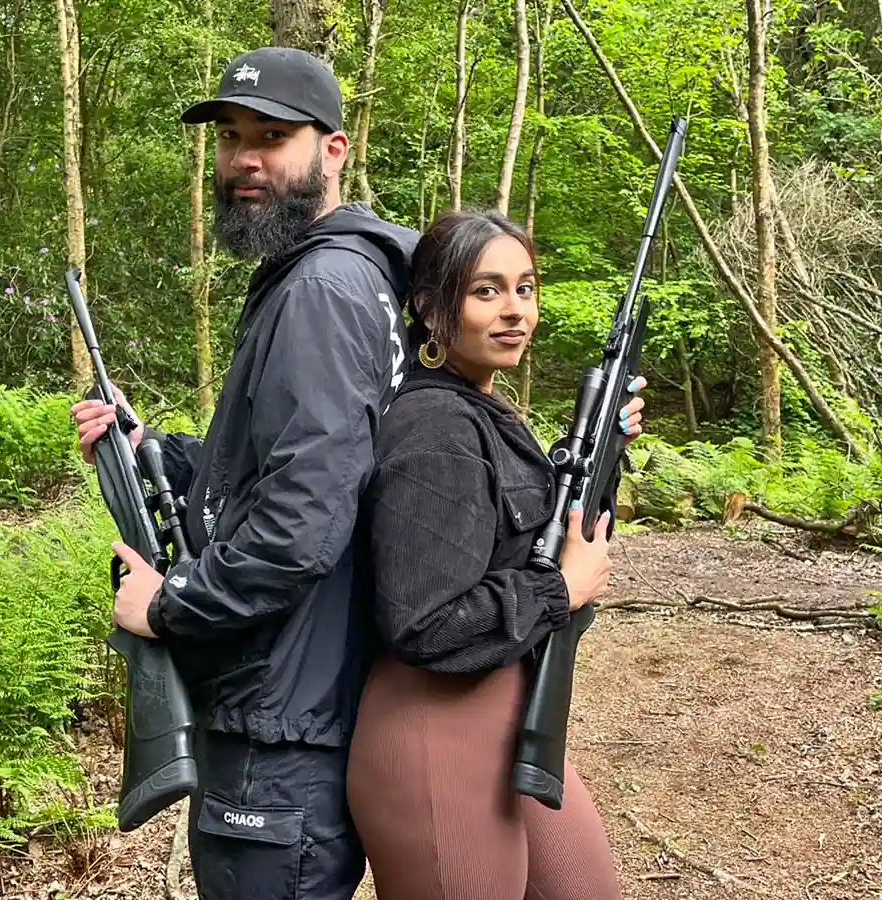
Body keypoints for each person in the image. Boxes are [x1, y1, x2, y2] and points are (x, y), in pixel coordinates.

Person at [71, 47, 417, 900]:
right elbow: (285, 463)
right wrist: (160, 448)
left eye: (272, 137)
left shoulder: (321, 291)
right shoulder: (350, 276)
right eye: (230, 138)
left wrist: (168, 605)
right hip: (306, 697)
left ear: (333, 150)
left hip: (278, 719)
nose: (244, 160)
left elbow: (300, 522)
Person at [346, 210, 647, 900]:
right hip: (436, 736)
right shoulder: (433, 431)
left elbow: (544, 537)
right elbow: (423, 623)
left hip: (511, 716)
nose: (514, 310)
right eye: (486, 291)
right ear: (430, 308)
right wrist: (558, 592)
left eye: (526, 288)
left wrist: (608, 455)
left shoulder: (487, 412)